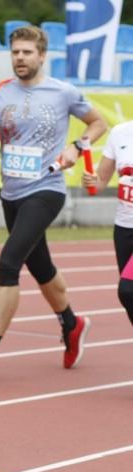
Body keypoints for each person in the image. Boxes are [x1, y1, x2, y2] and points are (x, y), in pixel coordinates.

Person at [0, 26, 107, 381]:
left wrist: (77, 146)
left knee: (9, 262)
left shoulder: (63, 92)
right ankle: (72, 324)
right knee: (40, 267)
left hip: (47, 188)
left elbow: (98, 123)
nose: (20, 58)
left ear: (41, 55)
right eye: (15, 53)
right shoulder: (1, 93)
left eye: (27, 52)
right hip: (11, 194)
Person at [81, 121, 133, 326]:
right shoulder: (120, 133)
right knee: (130, 297)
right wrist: (91, 181)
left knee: (128, 289)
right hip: (124, 227)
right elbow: (101, 181)